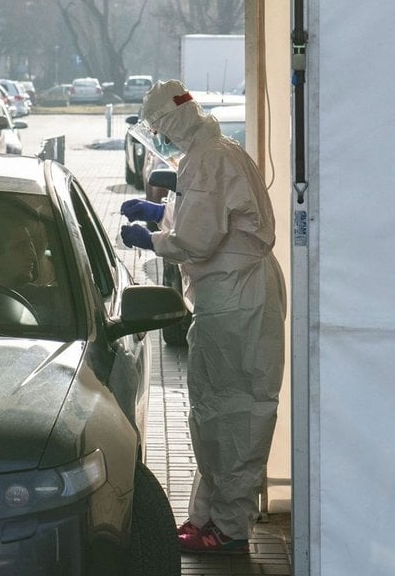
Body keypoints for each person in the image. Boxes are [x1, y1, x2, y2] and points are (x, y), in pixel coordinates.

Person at [119, 79, 286, 554]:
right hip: (229, 296)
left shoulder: (210, 158)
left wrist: (148, 237)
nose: (157, 137)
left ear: (172, 122)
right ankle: (207, 518)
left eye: (156, 128)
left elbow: (197, 239)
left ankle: (229, 528)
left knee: (236, 412)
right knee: (215, 410)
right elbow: (204, 214)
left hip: (237, 299)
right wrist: (162, 210)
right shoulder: (213, 152)